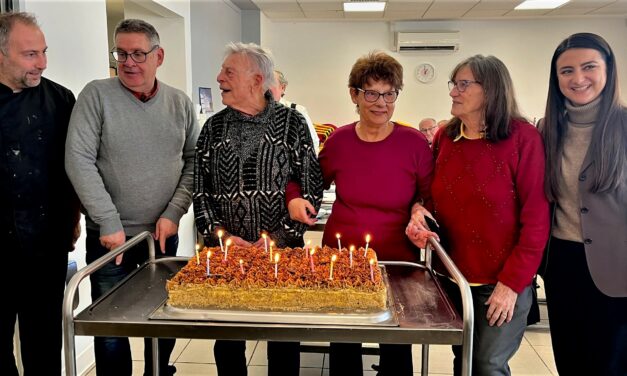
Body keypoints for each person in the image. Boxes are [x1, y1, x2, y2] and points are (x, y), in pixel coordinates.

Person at [65, 19, 199, 376]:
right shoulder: (97, 95)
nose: (128, 62)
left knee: (164, 316)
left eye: (138, 53)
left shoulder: (179, 103)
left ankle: (159, 370)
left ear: (159, 56)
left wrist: (174, 211)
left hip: (162, 233)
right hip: (111, 239)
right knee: (111, 325)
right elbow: (78, 159)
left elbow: (194, 161)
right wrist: (108, 221)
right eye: (121, 53)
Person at [290, 51, 433, 376]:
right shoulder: (339, 141)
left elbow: (430, 196)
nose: (381, 102)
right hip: (343, 257)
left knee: (397, 342)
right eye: (371, 93)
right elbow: (309, 182)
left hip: (398, 259)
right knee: (344, 338)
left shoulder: (413, 143)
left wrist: (419, 208)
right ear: (354, 94)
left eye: (389, 93)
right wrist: (295, 197)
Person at [406, 55, 549, 375]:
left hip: (500, 281)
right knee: (464, 360)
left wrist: (511, 285)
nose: (453, 92)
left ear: (492, 89)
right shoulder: (446, 137)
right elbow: (430, 196)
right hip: (452, 277)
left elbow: (537, 220)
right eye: (453, 84)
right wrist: (419, 215)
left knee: (487, 365)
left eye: (463, 84)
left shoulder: (523, 139)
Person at [194, 42, 323, 376]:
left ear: (255, 80)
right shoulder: (212, 128)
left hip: (281, 256)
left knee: (282, 337)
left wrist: (278, 240)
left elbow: (311, 187)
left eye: (228, 72)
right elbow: (200, 190)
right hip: (226, 255)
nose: (219, 77)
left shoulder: (292, 124)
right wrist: (222, 239)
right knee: (228, 340)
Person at [540, 33, 627, 375]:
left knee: (610, 365)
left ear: (608, 70)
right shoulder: (548, 130)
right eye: (566, 71)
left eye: (589, 67)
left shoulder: (624, 127)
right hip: (563, 265)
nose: (578, 79)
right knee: (570, 360)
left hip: (617, 271)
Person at [0, 12, 80, 376]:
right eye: (31, 54)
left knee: (44, 344)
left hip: (46, 243)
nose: (43, 63)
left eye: (43, 52)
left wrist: (75, 215)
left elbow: (75, 167)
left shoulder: (61, 100)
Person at [269, 69, 320, 153]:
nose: (266, 88)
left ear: (283, 87)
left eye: (271, 83)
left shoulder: (297, 110)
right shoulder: (252, 112)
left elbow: (313, 143)